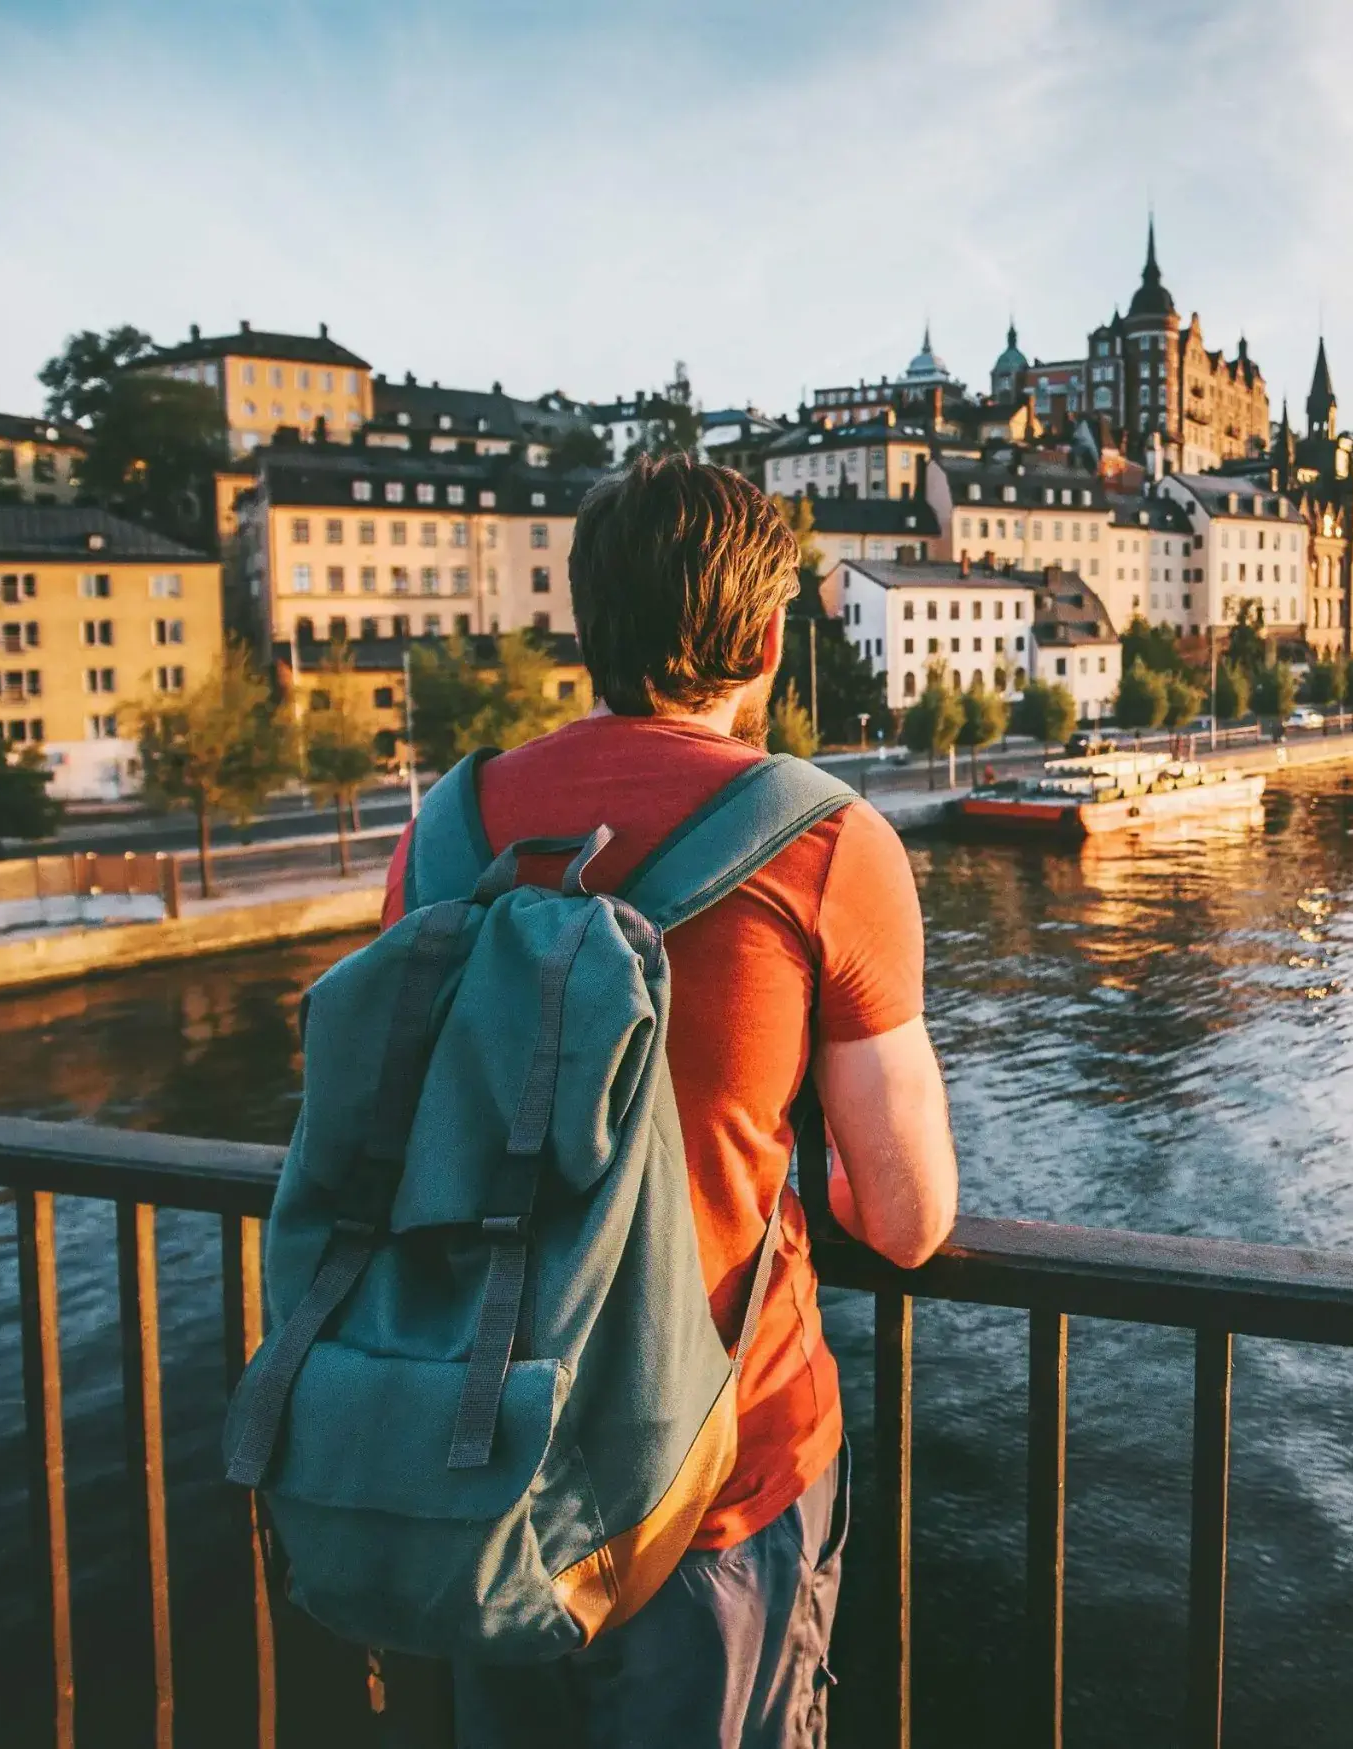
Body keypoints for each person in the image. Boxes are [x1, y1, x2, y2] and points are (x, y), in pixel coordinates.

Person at [379, 454, 960, 1748]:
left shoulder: (447, 830)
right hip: (719, 1483)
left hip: (486, 1461)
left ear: (586, 622)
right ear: (766, 635)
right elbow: (911, 1216)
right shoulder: (826, 841)